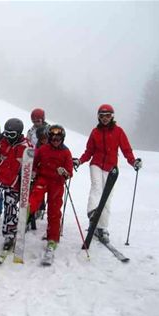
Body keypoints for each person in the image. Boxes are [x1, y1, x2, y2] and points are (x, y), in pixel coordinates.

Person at [73, 104, 142, 243]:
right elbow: (89, 151)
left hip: (111, 168)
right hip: (96, 164)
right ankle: (93, 212)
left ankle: (102, 228)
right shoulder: (95, 132)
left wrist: (133, 162)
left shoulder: (118, 131)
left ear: (112, 117)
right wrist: (80, 161)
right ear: (98, 117)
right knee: (97, 187)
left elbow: (126, 150)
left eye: (108, 116)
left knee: (107, 197)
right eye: (102, 116)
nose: (105, 118)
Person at [0, 118, 33, 250]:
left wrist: (27, 179)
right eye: (6, 134)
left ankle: (9, 235)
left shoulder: (27, 146)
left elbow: (30, 166)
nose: (8, 137)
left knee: (10, 207)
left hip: (14, 182)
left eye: (12, 135)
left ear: (19, 133)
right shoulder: (2, 142)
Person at [29, 125, 73, 262]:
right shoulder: (43, 149)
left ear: (62, 139)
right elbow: (34, 163)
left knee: (54, 211)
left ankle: (52, 238)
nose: (55, 141)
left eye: (58, 139)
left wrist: (64, 173)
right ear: (49, 138)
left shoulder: (66, 152)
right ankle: (25, 215)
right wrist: (33, 171)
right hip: (43, 179)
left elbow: (69, 172)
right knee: (34, 198)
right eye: (53, 138)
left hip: (57, 183)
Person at [26, 108, 50, 220]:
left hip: (45, 159)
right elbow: (27, 142)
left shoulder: (49, 129)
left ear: (43, 119)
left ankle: (40, 207)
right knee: (33, 183)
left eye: (38, 121)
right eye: (34, 121)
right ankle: (31, 207)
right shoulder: (31, 131)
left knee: (41, 184)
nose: (36, 123)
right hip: (32, 158)